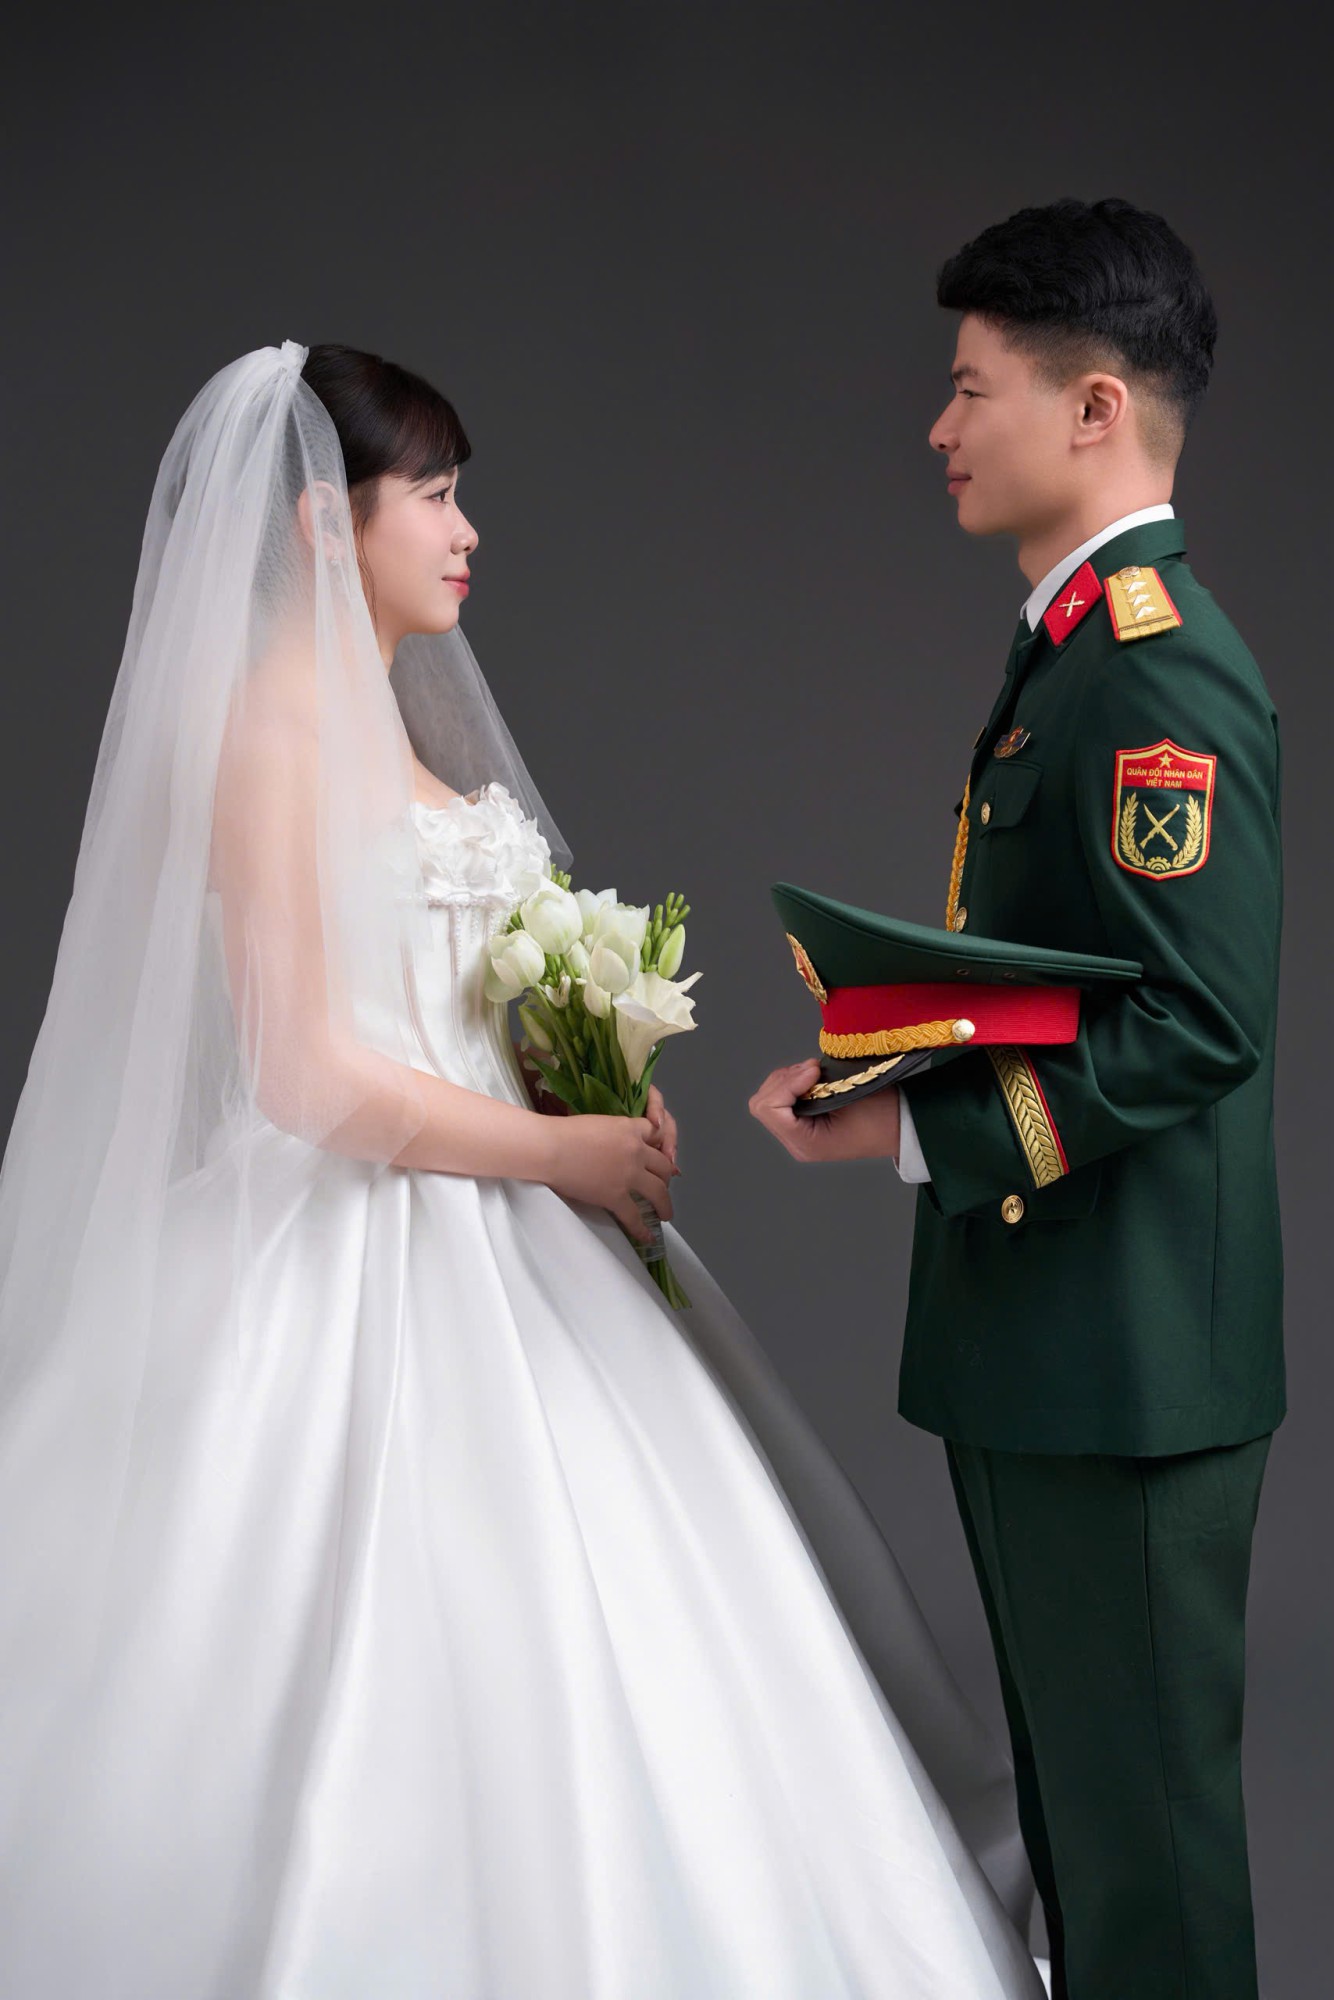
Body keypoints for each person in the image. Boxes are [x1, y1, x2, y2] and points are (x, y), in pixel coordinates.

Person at [0, 340, 1048, 1999]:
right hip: (354, 1248)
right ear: (319, 525)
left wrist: (585, 1088)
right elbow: (304, 1073)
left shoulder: (379, 721)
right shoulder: (267, 732)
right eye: (430, 494)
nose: (464, 528)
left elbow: (449, 1005)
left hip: (513, 1221)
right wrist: (560, 1146)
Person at [750, 198, 1283, 2000]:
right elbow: (1076, 979)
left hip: (1125, 1361)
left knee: (1145, 1870)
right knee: (1083, 1839)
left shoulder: (1155, 664)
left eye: (969, 388)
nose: (937, 426)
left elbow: (1196, 1021)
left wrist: (920, 1128)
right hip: (1061, 1337)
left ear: (1093, 407)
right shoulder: (1076, 643)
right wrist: (890, 1051)